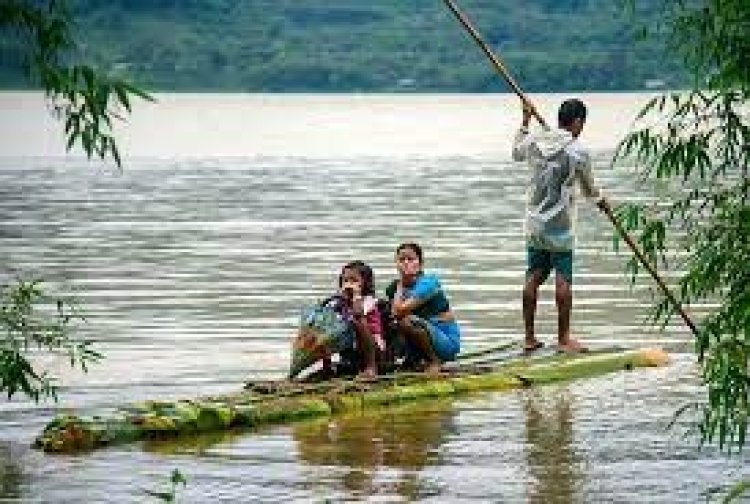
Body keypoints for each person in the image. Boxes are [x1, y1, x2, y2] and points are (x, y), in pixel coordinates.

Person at [512, 98, 606, 354]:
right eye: (582, 123)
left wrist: (525, 120)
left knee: (533, 276)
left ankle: (529, 337)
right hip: (561, 226)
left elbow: (516, 152)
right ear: (576, 122)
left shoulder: (536, 141)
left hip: (534, 225)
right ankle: (564, 339)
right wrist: (601, 201)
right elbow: (589, 188)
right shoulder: (578, 152)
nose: (581, 128)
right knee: (563, 281)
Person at [291, 260, 384, 380]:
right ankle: (327, 368)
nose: (349, 284)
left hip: (372, 349)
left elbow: (358, 313)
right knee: (323, 328)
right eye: (346, 281)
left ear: (364, 284)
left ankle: (371, 368)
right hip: (350, 350)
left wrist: (356, 296)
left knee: (357, 322)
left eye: (354, 281)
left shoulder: (368, 301)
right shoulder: (338, 302)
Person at [385, 243, 460, 374]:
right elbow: (392, 315)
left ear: (420, 263)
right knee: (388, 321)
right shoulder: (393, 288)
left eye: (411, 259)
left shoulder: (429, 283)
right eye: (401, 260)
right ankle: (410, 359)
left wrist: (401, 283)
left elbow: (399, 311)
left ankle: (434, 360)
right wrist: (400, 285)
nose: (406, 263)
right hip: (422, 339)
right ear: (396, 263)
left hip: (446, 344)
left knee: (405, 320)